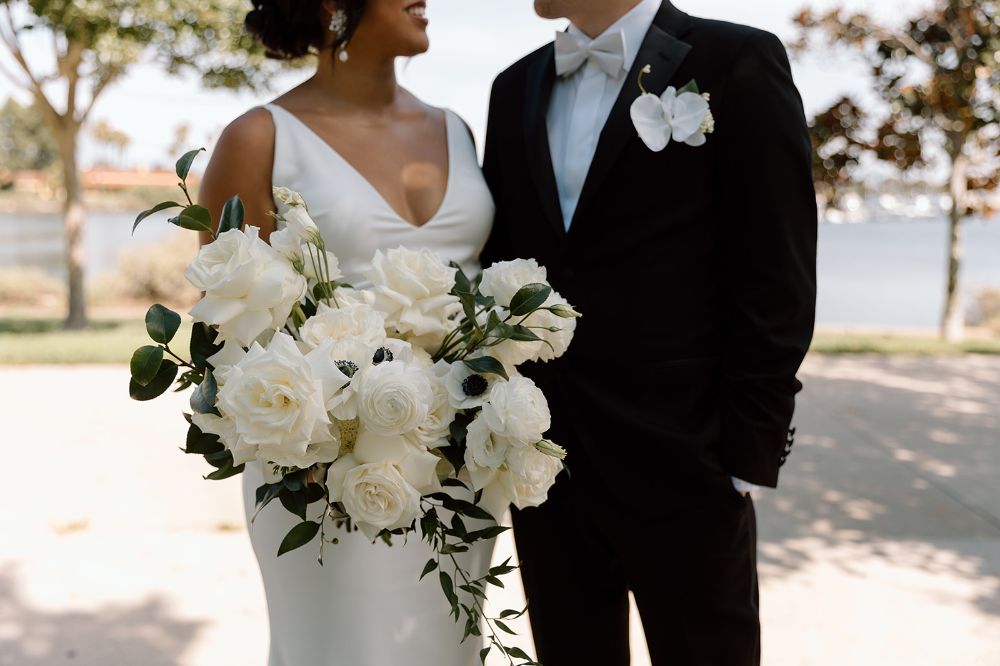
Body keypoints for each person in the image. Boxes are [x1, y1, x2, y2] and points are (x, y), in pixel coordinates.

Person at [482, 0, 817, 664]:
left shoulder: (737, 61)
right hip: (545, 466)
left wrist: (744, 461)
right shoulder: (513, 87)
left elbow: (778, 270)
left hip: (687, 462)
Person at [196, 2, 495, 664]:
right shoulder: (259, 137)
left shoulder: (456, 130)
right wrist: (312, 434)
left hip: (460, 464)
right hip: (320, 469)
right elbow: (226, 321)